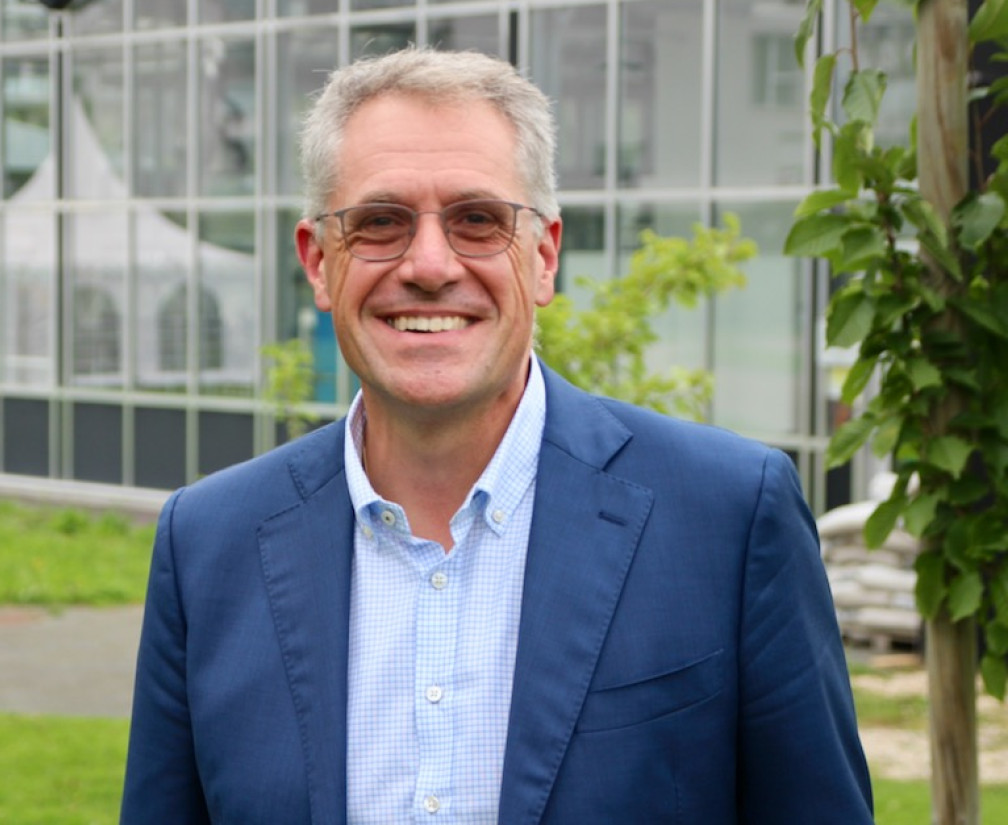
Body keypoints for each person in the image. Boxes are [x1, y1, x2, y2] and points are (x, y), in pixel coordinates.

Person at [120, 47, 873, 824]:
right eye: (380, 222)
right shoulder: (207, 544)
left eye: (478, 220)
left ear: (544, 256)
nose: (430, 264)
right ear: (319, 262)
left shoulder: (728, 518)